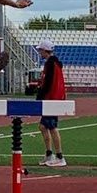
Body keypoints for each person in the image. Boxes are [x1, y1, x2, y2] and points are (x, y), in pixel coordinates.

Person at [35, 39, 67, 167]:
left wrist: (41, 95)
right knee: (43, 126)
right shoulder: (55, 64)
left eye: (40, 50)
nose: (39, 52)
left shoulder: (50, 64)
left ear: (44, 51)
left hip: (51, 99)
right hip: (53, 98)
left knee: (52, 127)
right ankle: (49, 154)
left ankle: (59, 156)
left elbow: (48, 83)